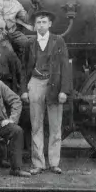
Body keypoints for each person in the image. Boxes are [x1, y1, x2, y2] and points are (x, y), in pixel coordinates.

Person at [22, 9, 71, 175]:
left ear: (49, 24)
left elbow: (65, 66)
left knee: (55, 126)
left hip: (54, 84)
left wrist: (64, 90)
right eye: (38, 22)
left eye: (44, 22)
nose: (41, 25)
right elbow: (24, 69)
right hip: (35, 83)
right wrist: (24, 90)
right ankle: (38, 163)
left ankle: (54, 163)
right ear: (35, 25)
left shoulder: (59, 41)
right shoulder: (29, 43)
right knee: (36, 125)